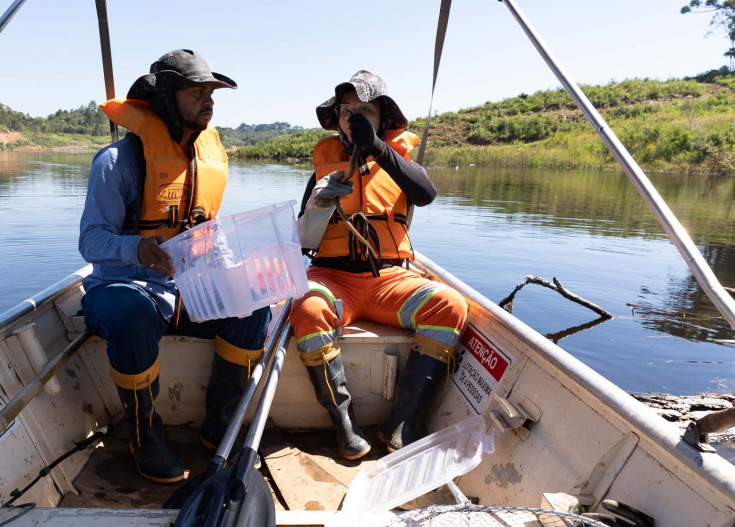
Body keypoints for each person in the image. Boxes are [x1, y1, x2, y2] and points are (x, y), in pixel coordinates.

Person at [79, 49, 271, 483]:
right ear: (166, 98)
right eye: (197, 92)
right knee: (131, 315)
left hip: (184, 290)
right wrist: (138, 248)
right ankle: (144, 434)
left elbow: (209, 233)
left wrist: (235, 269)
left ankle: (219, 427)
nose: (209, 101)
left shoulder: (206, 160)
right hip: (122, 291)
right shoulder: (116, 162)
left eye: (211, 93)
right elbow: (89, 240)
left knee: (252, 306)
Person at [292, 70, 468, 458]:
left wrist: (376, 147)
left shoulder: (400, 163)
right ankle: (346, 424)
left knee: (451, 305)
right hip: (332, 277)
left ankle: (400, 423)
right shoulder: (322, 167)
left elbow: (425, 193)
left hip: (389, 281)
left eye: (365, 110)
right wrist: (318, 205)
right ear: (336, 119)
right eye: (345, 111)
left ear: (382, 118)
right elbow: (302, 243)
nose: (352, 117)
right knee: (307, 308)